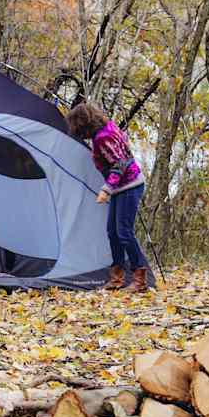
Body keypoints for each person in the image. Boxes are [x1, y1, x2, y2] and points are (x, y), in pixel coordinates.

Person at [65, 101, 150, 292]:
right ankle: (117, 278)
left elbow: (120, 164)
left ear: (83, 124)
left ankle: (140, 279)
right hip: (122, 187)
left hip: (130, 185)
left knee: (124, 232)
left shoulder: (103, 137)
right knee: (113, 232)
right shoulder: (108, 127)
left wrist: (106, 189)